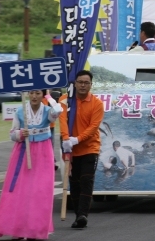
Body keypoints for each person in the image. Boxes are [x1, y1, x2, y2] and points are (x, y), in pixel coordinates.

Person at [0, 90, 62, 240]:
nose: (34, 96)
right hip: (23, 152)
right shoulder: (20, 111)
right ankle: (16, 229)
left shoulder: (48, 111)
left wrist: (49, 96)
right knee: (19, 190)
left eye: (38, 93)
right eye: (32, 93)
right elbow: (12, 133)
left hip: (43, 152)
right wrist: (20, 134)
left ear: (42, 95)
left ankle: (35, 230)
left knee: (40, 191)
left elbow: (58, 110)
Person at [60, 70, 105, 229]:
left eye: (86, 82)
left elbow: (94, 127)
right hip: (70, 149)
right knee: (74, 183)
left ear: (91, 85)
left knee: (86, 180)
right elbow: (63, 121)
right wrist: (66, 139)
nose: (83, 85)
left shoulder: (97, 103)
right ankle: (78, 214)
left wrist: (77, 139)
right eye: (80, 82)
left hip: (90, 147)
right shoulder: (65, 100)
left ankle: (82, 215)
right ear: (75, 83)